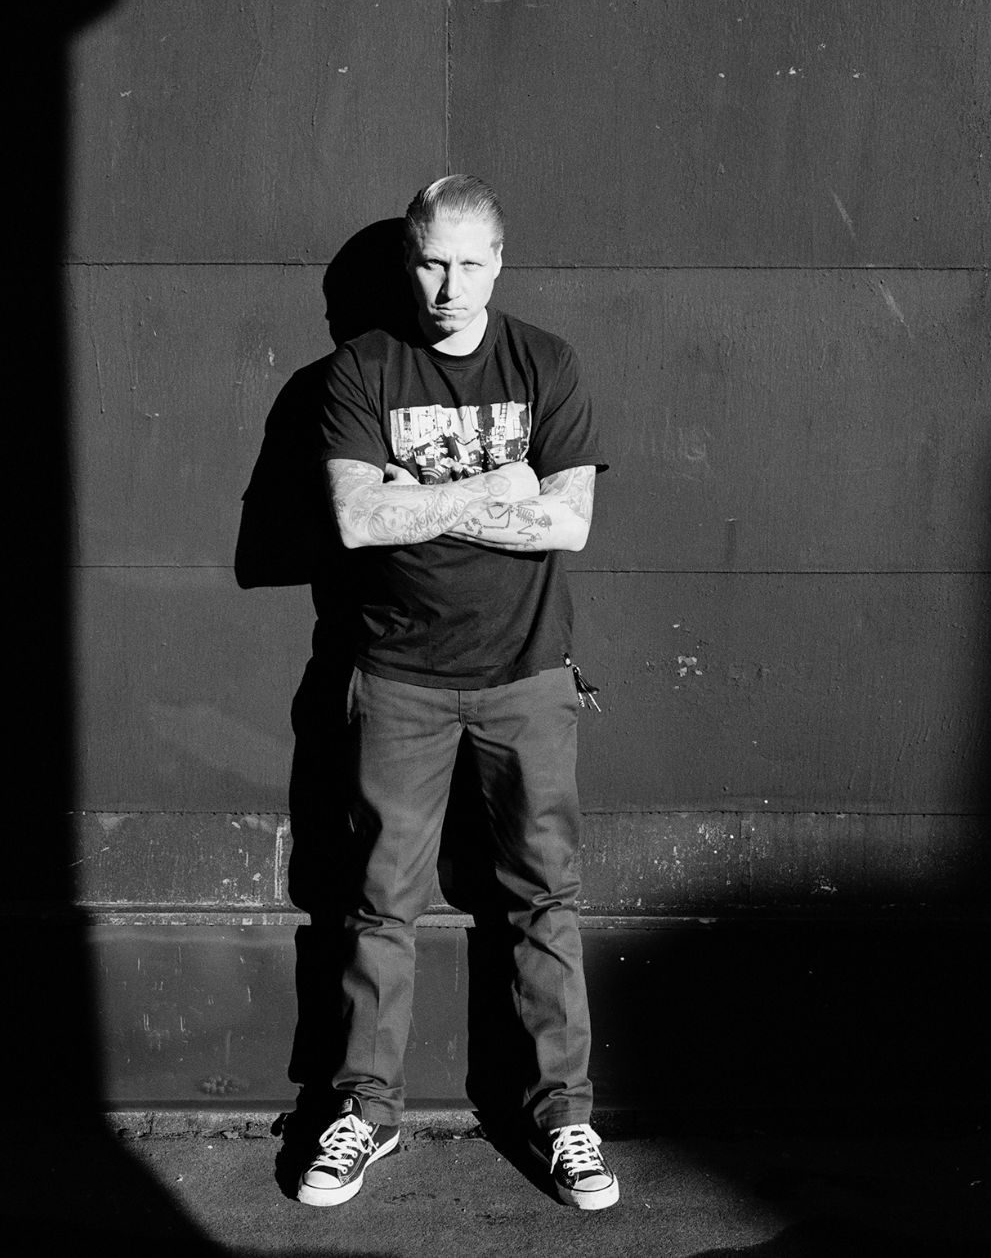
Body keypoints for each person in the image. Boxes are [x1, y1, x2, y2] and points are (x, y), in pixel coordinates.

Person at [297, 175, 617, 1212]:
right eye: (432, 261)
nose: (449, 286)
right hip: (397, 681)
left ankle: (562, 1116)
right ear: (410, 260)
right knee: (378, 901)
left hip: (528, 675)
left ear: (499, 263)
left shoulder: (545, 361)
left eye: (471, 263)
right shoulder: (361, 368)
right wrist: (496, 486)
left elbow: (569, 523)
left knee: (543, 897)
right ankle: (365, 1110)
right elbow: (357, 521)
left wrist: (421, 499)